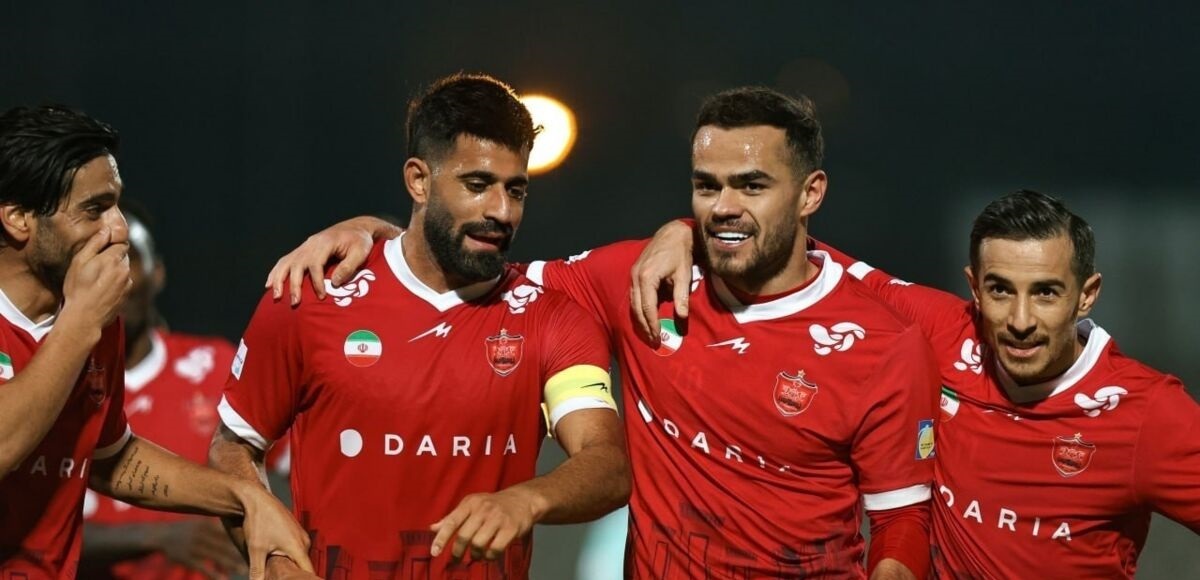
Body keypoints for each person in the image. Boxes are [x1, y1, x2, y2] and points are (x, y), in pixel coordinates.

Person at [268, 87, 939, 578]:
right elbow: (470, 265)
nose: (724, 207)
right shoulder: (632, 279)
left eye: (752, 186)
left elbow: (902, 521)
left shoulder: (882, 340)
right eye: (707, 187)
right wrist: (373, 232)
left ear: (811, 193)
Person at [635, 190, 1200, 577]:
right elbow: (808, 261)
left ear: (1087, 295)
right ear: (974, 288)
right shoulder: (936, 330)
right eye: (1001, 290)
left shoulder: (1147, 413)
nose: (1021, 320)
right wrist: (684, 231)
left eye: (1046, 293)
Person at [208, 73, 630, 579]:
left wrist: (528, 499)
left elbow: (607, 464)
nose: (501, 211)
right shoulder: (314, 295)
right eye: (477, 185)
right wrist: (277, 562)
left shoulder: (551, 319)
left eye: (515, 190)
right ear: (419, 181)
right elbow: (233, 446)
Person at [0, 105, 312, 578]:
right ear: (18, 218)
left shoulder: (94, 318)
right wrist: (81, 323)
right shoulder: (86, 319)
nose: (119, 228)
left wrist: (243, 496)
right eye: (94, 209)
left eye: (116, 204)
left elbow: (110, 457)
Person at [79, 203, 291, 579]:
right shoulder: (54, 382)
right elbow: (29, 530)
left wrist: (271, 550)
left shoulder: (215, 365)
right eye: (96, 258)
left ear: (157, 273)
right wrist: (157, 536)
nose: (113, 275)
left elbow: (279, 475)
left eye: (127, 257)